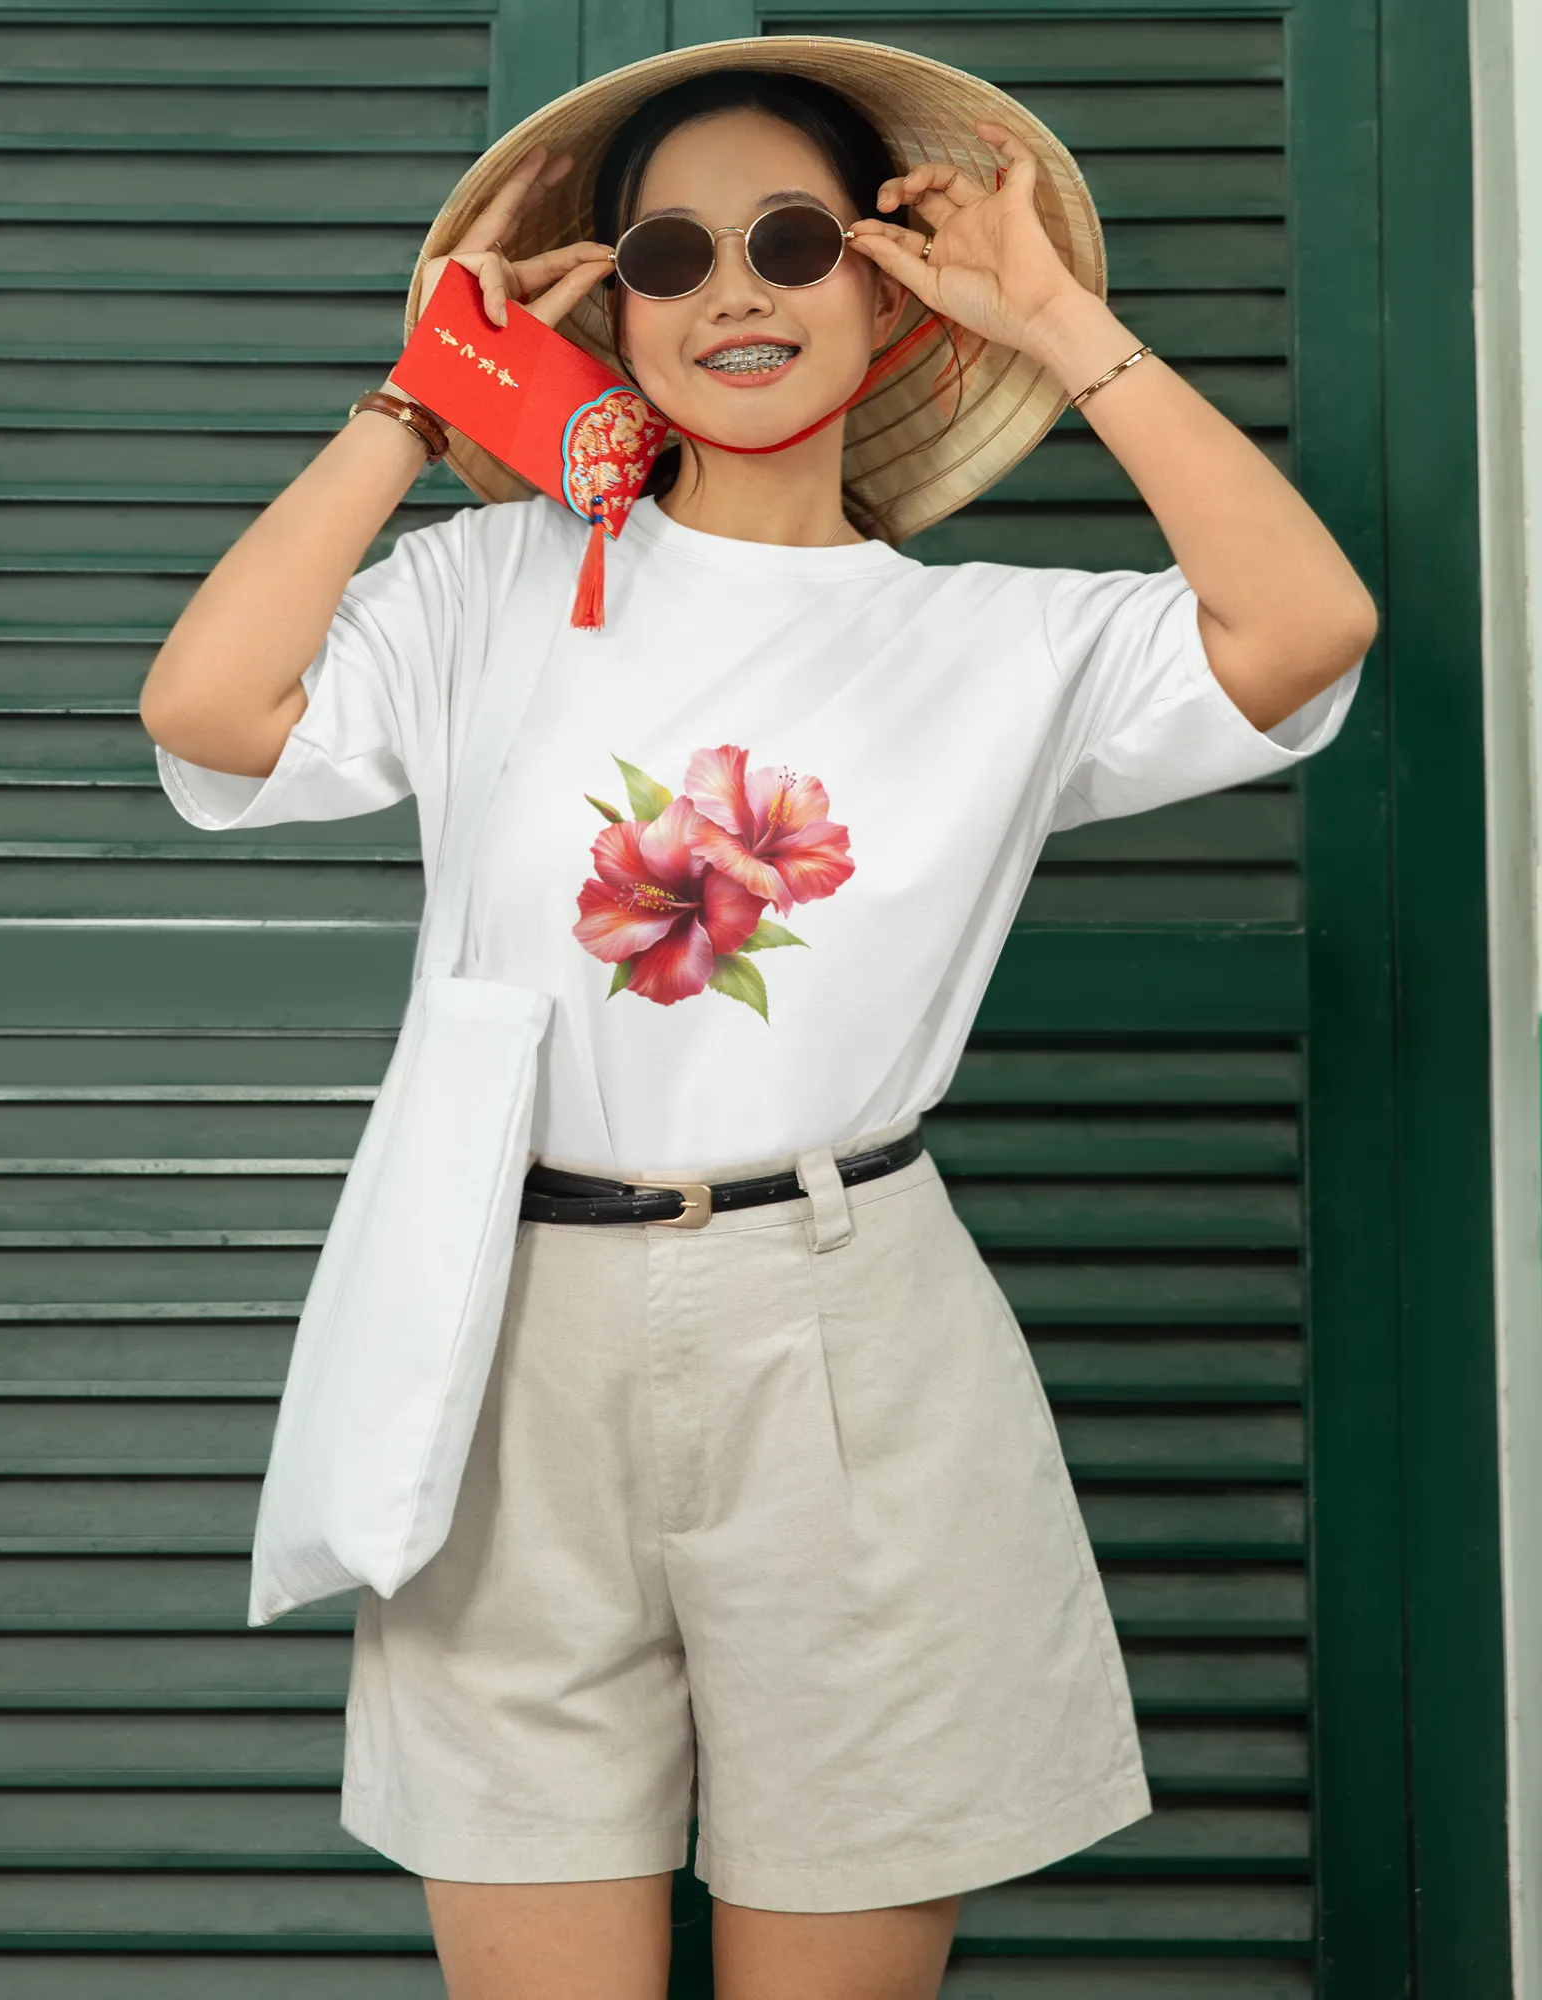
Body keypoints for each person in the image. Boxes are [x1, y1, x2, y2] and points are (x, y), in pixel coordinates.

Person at [140, 40, 1375, 2000]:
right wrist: (414, 401)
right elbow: (208, 710)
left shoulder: (998, 642)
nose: (734, 288)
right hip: (510, 1327)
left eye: (796, 241)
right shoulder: (490, 586)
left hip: (845, 1323)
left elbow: (1301, 631)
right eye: (670, 250)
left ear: (885, 297)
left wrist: (1061, 322)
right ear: (609, 305)